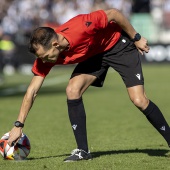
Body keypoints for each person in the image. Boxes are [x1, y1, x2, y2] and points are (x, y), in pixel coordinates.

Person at [7, 8, 170, 162]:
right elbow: (32, 91)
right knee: (72, 89)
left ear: (55, 45)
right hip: (95, 54)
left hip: (118, 45)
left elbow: (113, 13)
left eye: (45, 56)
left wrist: (136, 37)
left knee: (139, 100)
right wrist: (18, 125)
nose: (43, 61)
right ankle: (83, 151)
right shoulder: (45, 56)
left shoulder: (82, 26)